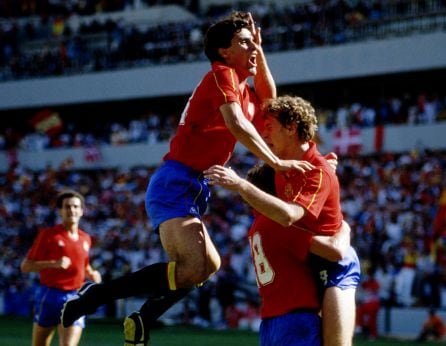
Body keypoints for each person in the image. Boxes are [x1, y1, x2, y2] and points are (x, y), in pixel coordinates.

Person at [61, 11, 313, 346]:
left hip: (195, 187)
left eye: (254, 43)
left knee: (207, 266)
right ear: (225, 51)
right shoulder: (220, 74)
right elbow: (238, 126)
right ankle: (98, 298)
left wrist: (259, 49)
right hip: (175, 182)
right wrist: (277, 162)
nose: (252, 48)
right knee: (193, 266)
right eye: (244, 42)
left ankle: (140, 315)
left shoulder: (243, 90)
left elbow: (269, 94)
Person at [205, 95, 360, 346]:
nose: (263, 136)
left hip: (332, 265)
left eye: (269, 128)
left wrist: (241, 186)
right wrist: (346, 228)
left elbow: (293, 219)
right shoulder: (283, 169)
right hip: (311, 261)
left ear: (291, 129)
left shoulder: (311, 174)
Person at [20, 189, 102, 346]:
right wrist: (54, 264)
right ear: (60, 211)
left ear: (82, 211)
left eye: (75, 206)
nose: (72, 210)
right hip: (50, 295)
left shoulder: (85, 238)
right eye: (67, 206)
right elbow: (25, 266)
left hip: (76, 297)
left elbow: (83, 264)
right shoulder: (48, 235)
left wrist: (91, 273)